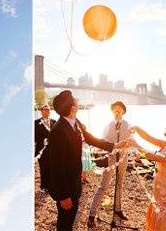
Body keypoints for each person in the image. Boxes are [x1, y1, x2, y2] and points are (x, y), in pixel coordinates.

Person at [43, 90, 128, 231]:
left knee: (70, 220)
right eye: (74, 99)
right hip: (65, 188)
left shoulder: (75, 122)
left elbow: (90, 139)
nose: (77, 99)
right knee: (64, 223)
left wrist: (115, 145)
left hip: (74, 183)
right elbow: (56, 167)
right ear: (72, 108)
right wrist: (63, 196)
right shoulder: (58, 131)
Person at [131, 123, 166, 231]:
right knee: (162, 216)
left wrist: (136, 145)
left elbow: (153, 157)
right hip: (159, 187)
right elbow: (148, 137)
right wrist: (137, 128)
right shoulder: (165, 145)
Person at [87, 101, 131, 228]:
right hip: (110, 158)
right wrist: (98, 149)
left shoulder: (128, 125)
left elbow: (131, 140)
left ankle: (118, 209)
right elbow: (103, 141)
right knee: (103, 186)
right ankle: (92, 214)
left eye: (119, 109)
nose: (117, 111)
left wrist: (133, 147)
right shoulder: (108, 125)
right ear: (112, 111)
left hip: (123, 157)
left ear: (123, 111)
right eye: (115, 109)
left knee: (120, 184)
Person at [34, 104, 56, 190]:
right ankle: (43, 186)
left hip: (52, 150)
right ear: (41, 111)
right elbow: (34, 136)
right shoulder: (36, 123)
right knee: (43, 167)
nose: (47, 111)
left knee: (52, 167)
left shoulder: (54, 122)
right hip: (41, 149)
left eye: (48, 110)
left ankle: (51, 185)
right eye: (45, 109)